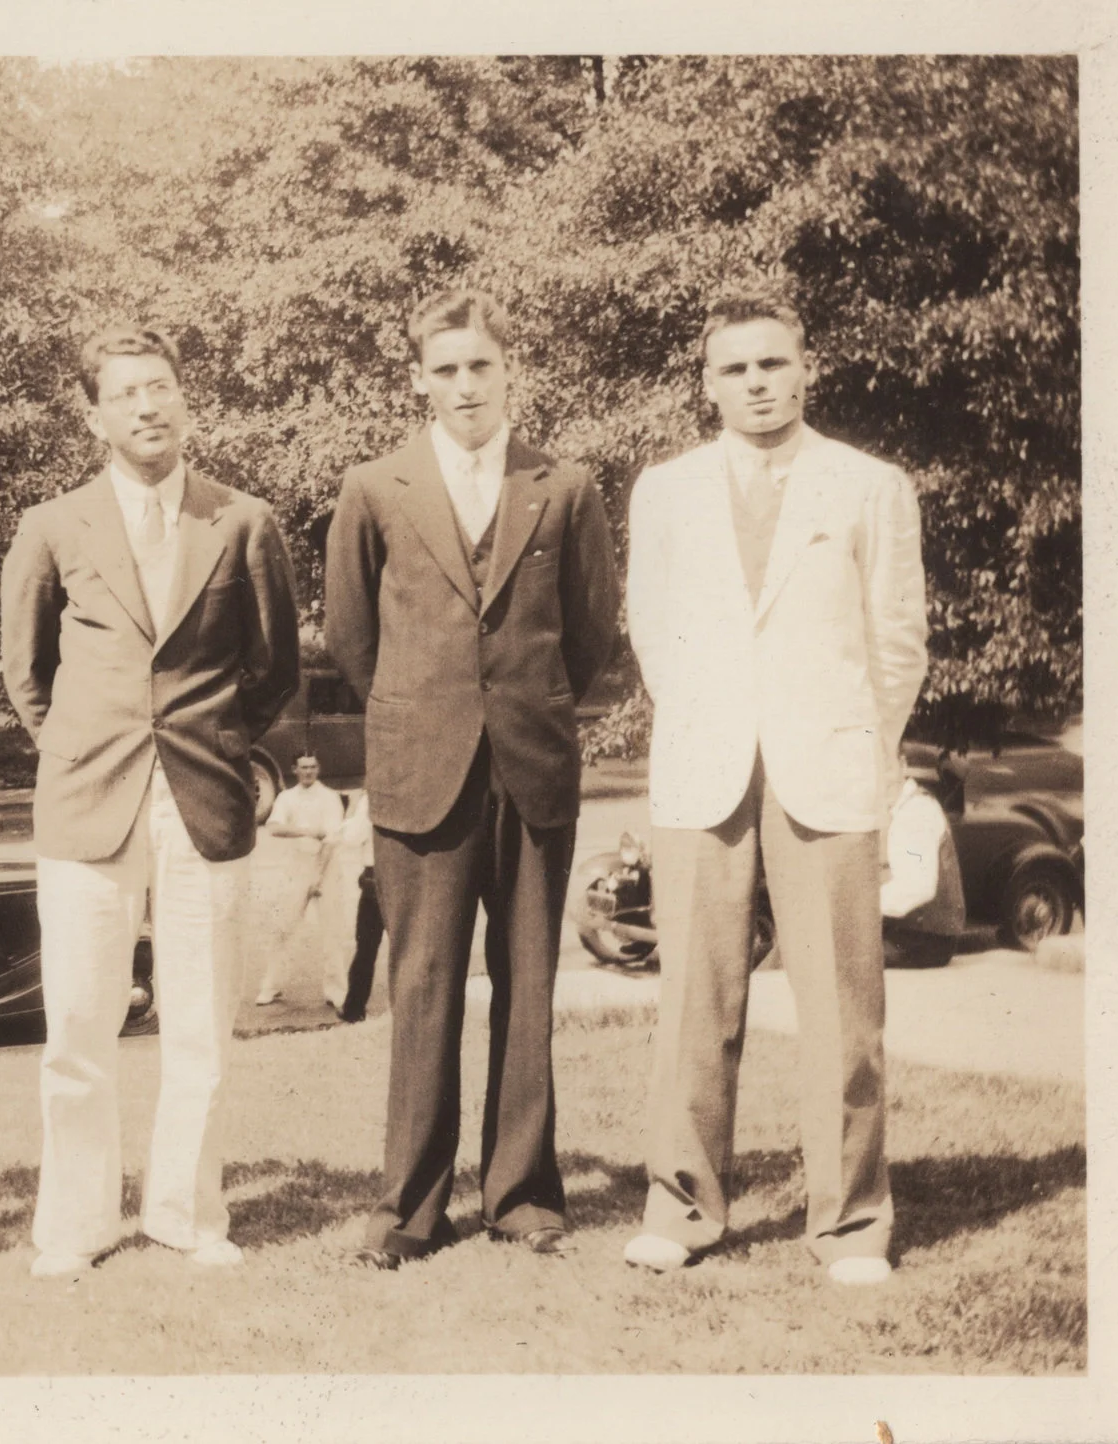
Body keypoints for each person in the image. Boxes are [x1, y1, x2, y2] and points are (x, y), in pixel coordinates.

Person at [621, 292, 929, 1287]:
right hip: (703, 770)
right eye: (734, 368)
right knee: (692, 1001)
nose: (755, 383)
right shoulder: (665, 490)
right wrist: (709, 720)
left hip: (827, 768)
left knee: (842, 1010)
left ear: (806, 368)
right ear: (707, 384)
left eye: (772, 363)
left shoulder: (869, 486)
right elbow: (651, 630)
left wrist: (864, 748)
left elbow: (896, 644)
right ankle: (682, 1208)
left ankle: (852, 1224)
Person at [324, 288, 621, 1270]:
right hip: (422, 767)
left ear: (508, 371)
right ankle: (411, 1207)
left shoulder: (564, 486)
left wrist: (522, 705)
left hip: (532, 764)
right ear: (419, 379)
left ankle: (522, 1195)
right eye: (445, 369)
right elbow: (352, 637)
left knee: (528, 982)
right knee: (422, 985)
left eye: (481, 366)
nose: (464, 385)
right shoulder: (375, 486)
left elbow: (590, 632)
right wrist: (424, 710)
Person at [0, 324, 300, 1278]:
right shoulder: (52, 525)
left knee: (200, 1026)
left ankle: (188, 1215)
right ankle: (75, 1224)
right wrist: (82, 746)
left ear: (183, 398)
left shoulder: (242, 521)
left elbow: (273, 668)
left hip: (204, 796)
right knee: (78, 1028)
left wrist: (216, 742)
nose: (147, 406)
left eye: (160, 386)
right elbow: (26, 673)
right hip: (88, 798)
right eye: (125, 393)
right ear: (94, 416)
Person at [253, 751, 345, 1007]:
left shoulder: (330, 797)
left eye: (312, 767)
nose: (308, 772)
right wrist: (306, 831)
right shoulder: (286, 797)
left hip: (327, 867)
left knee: (332, 932)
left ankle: (336, 991)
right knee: (282, 928)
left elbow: (331, 839)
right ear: (294, 769)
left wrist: (318, 877)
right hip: (296, 866)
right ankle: (272, 986)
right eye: (303, 767)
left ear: (318, 768)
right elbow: (274, 827)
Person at [880, 775, 964, 970]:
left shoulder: (917, 810)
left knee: (841, 957)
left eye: (887, 766)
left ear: (902, 765)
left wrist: (865, 906)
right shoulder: (898, 806)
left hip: (926, 938)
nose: (880, 776)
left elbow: (918, 888)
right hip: (909, 929)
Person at [331, 791, 383, 1024]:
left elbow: (352, 837)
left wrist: (351, 809)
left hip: (375, 880)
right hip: (405, 878)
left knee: (366, 948)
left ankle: (354, 1008)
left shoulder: (371, 797)